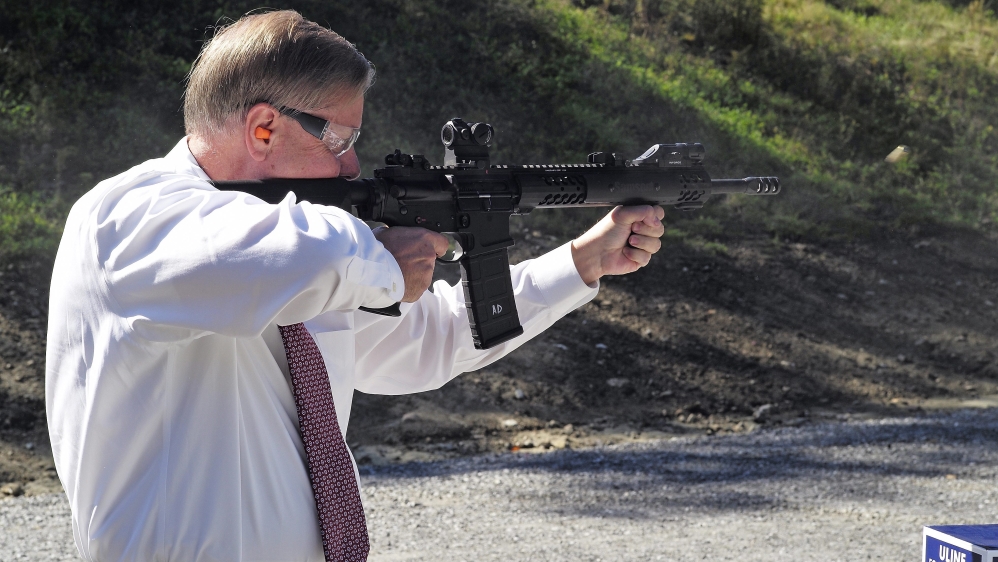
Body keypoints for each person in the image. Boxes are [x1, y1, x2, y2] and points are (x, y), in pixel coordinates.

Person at [45, 9, 665, 562]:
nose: (350, 166)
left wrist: (583, 261)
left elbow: (436, 338)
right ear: (264, 129)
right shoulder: (125, 217)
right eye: (339, 139)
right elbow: (286, 255)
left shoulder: (318, 265)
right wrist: (384, 260)